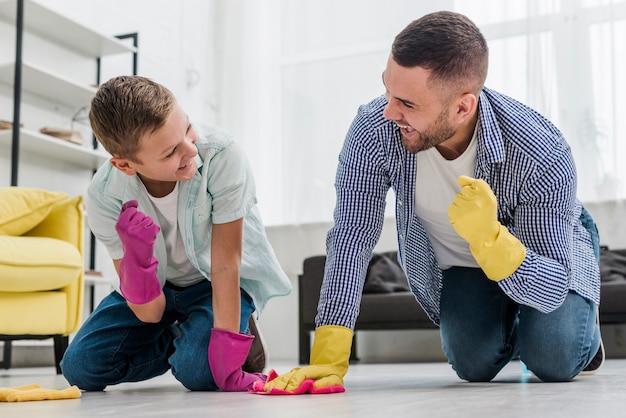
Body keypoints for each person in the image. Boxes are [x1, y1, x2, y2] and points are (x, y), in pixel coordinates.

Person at [260, 11, 602, 394]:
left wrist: (491, 239)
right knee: (473, 365)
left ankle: (573, 324)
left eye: (406, 102)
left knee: (554, 360)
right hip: (462, 264)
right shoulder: (375, 129)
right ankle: (517, 323)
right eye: (387, 90)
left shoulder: (540, 149)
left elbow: (551, 284)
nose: (389, 112)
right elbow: (351, 237)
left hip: (540, 257)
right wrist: (328, 354)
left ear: (462, 107)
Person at [60, 75, 291, 392]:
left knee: (199, 374)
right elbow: (150, 313)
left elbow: (225, 264)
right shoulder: (105, 197)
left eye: (187, 128)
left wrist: (222, 354)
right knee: (82, 368)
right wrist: (137, 260)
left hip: (213, 283)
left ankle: (221, 337)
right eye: (170, 152)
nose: (191, 150)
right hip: (157, 291)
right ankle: (192, 338)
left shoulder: (221, 156)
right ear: (125, 165)